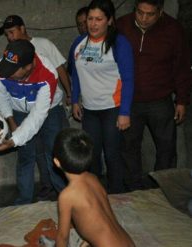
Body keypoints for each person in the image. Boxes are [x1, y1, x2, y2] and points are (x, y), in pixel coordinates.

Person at [117, 0, 192, 191]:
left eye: (149, 14)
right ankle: (133, 189)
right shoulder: (122, 25)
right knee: (128, 147)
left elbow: (182, 67)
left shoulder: (173, 29)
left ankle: (163, 189)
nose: (143, 18)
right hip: (129, 101)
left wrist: (182, 100)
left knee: (166, 147)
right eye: (140, 12)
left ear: (160, 12)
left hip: (161, 100)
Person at [0, 15, 70, 201]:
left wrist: (71, 95)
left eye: (12, 32)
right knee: (26, 156)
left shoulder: (45, 66)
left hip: (49, 110)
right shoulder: (7, 61)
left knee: (53, 153)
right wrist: (11, 120)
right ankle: (24, 199)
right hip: (22, 111)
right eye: (7, 34)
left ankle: (66, 196)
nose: (10, 37)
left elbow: (38, 115)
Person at [68, 0, 134, 193]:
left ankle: (118, 197)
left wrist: (125, 112)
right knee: (92, 155)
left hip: (113, 108)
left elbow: (129, 80)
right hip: (89, 110)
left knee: (113, 155)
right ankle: (96, 196)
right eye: (90, 19)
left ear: (109, 20)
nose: (93, 24)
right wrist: (74, 101)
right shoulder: (79, 43)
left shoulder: (119, 43)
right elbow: (76, 74)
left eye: (99, 19)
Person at [53, 128, 135, 247]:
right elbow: (99, 217)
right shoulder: (93, 178)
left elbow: (62, 237)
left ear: (57, 162)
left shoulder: (67, 196)